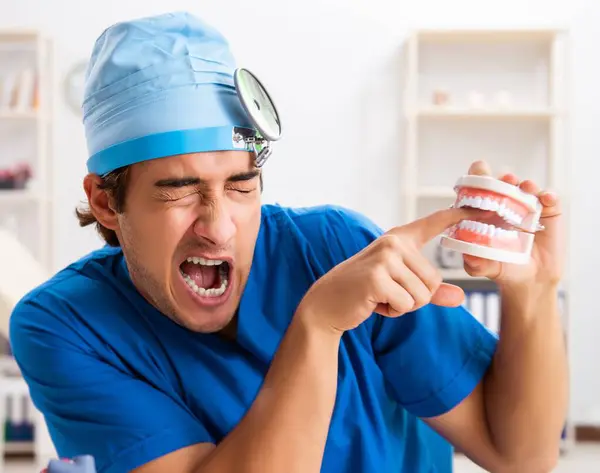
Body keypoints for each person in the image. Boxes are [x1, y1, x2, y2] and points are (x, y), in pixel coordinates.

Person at [9, 11, 567, 473]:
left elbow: (521, 456)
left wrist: (535, 291)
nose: (219, 225)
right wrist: (317, 326)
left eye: (241, 184)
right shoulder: (65, 324)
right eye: (179, 191)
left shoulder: (339, 248)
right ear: (107, 202)